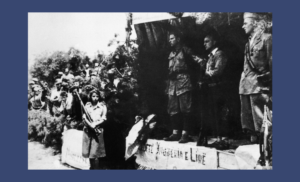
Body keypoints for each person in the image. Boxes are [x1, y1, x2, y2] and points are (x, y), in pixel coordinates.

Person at [239, 13, 272, 143]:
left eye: (245, 23)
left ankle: (264, 146)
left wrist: (270, 83)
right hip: (245, 85)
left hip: (259, 85)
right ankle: (253, 139)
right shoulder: (248, 42)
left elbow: (272, 62)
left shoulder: (267, 38)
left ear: (254, 23)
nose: (242, 26)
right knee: (248, 121)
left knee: (262, 121)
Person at [196, 34, 229, 149]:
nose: (204, 44)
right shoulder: (210, 56)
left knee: (220, 113)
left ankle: (223, 139)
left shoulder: (219, 54)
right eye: (204, 41)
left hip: (218, 88)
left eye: (207, 41)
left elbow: (218, 71)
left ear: (214, 42)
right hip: (211, 88)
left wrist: (205, 74)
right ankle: (218, 139)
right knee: (214, 113)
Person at [163, 31, 196, 143]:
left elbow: (195, 63)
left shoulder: (186, 51)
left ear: (178, 39)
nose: (170, 40)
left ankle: (185, 134)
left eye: (172, 38)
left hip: (184, 82)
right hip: (172, 85)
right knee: (173, 109)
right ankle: (175, 133)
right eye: (169, 39)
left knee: (185, 109)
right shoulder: (170, 53)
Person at [82, 90, 107, 169]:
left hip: (97, 132)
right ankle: (91, 169)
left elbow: (104, 118)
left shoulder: (102, 106)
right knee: (88, 153)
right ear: (90, 97)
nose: (95, 98)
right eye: (93, 96)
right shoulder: (87, 106)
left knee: (95, 154)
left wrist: (95, 124)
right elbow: (84, 117)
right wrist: (89, 123)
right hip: (88, 131)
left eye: (97, 96)